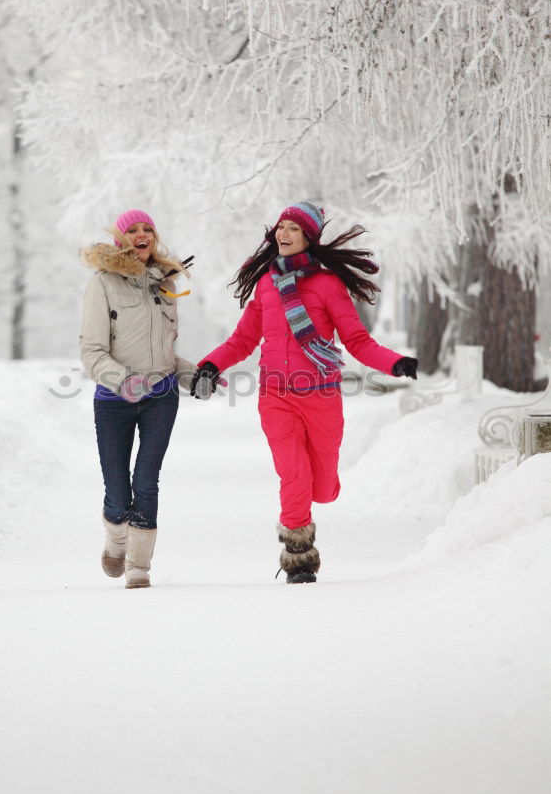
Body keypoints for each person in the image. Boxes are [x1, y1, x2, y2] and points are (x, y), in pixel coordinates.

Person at [191, 201, 418, 585]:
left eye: (293, 229)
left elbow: (357, 341)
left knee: (323, 485)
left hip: (321, 395)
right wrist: (210, 366)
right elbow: (244, 339)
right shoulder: (267, 284)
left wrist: (395, 362)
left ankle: (311, 506)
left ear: (309, 237)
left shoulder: (329, 285)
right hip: (275, 395)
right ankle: (299, 557)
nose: (283, 234)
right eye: (281, 227)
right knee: (293, 474)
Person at [80, 209, 196, 589]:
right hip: (114, 400)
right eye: (134, 229)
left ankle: (139, 566)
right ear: (121, 239)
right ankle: (116, 537)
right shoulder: (102, 285)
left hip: (161, 395)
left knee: (147, 480)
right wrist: (123, 382)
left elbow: (165, 351)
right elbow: (92, 352)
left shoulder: (165, 284)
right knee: (117, 488)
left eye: (148, 229)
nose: (143, 234)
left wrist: (192, 374)